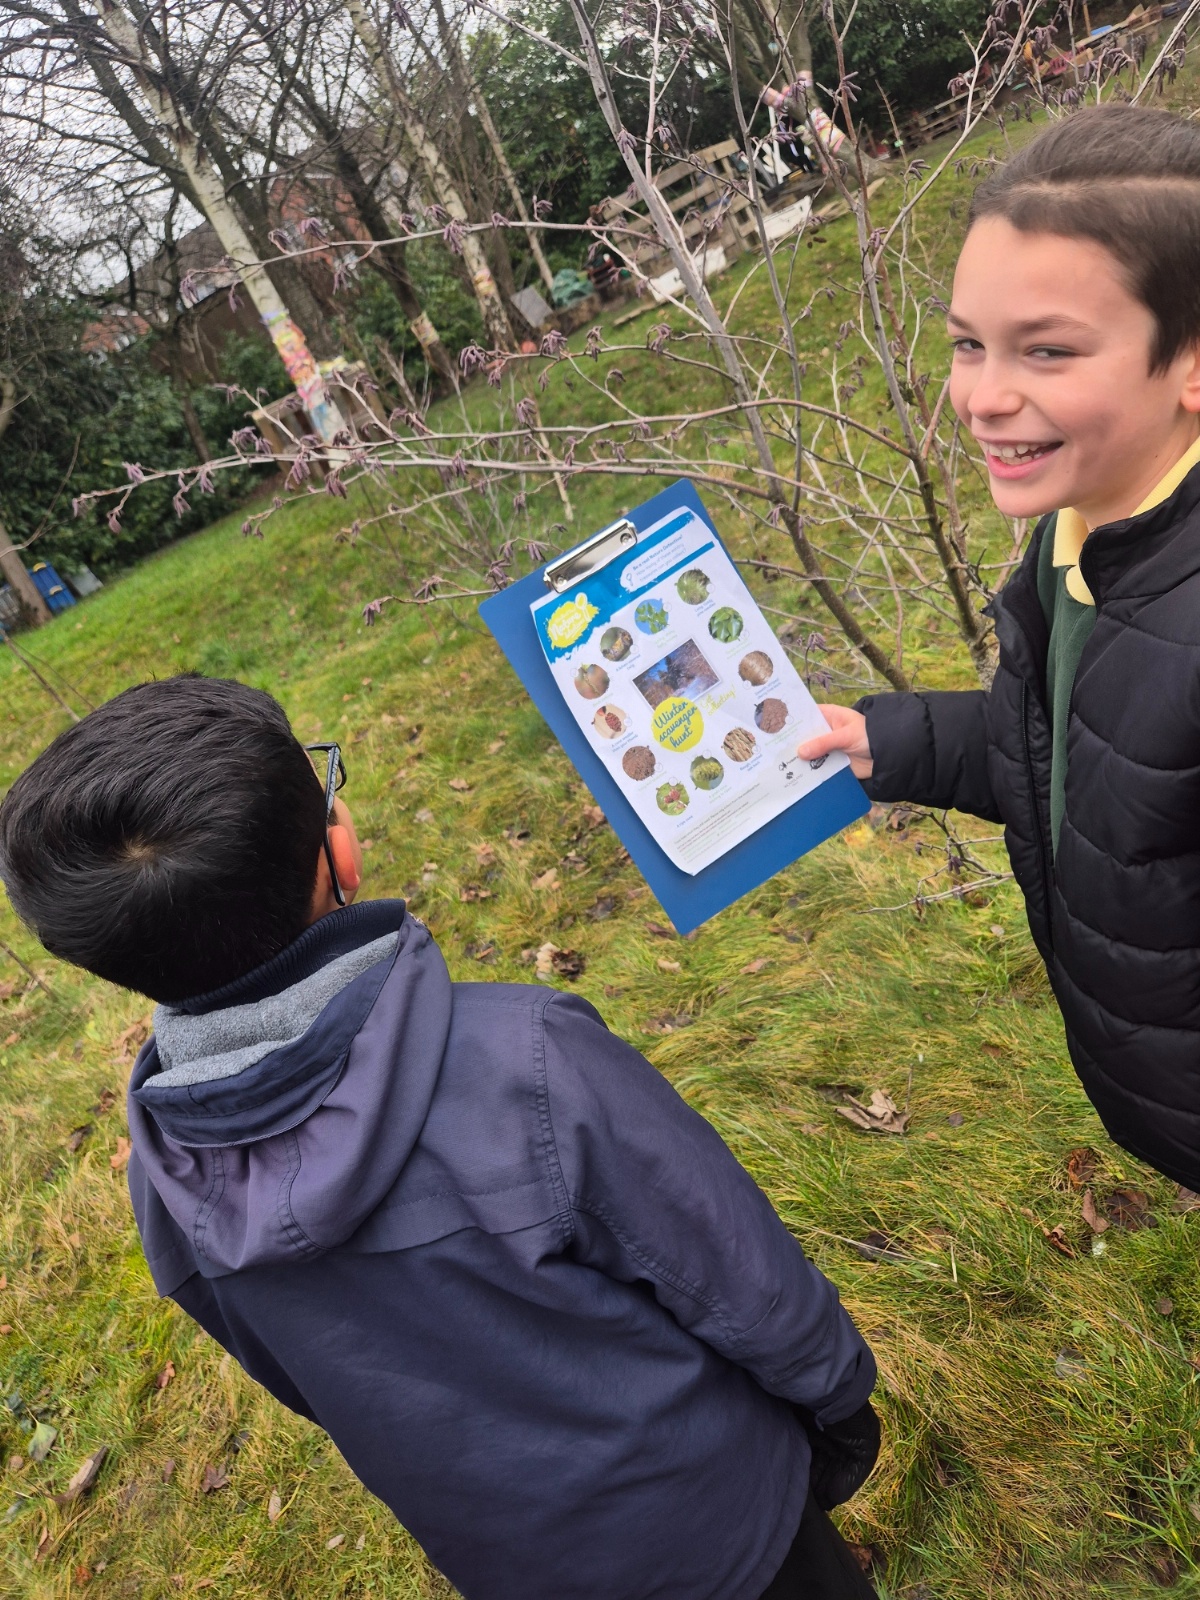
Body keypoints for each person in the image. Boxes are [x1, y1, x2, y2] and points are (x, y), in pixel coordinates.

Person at [0, 674, 881, 1600]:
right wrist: (838, 1400)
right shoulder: (531, 1063)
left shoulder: (165, 1185)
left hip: (516, 1566)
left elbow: (309, 1385)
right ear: (339, 853)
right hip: (730, 1523)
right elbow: (736, 1273)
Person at [797, 105, 1200, 1192]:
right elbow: (1092, 757)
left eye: (1048, 351)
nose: (982, 397)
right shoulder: (1081, 536)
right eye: (969, 344)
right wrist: (891, 741)